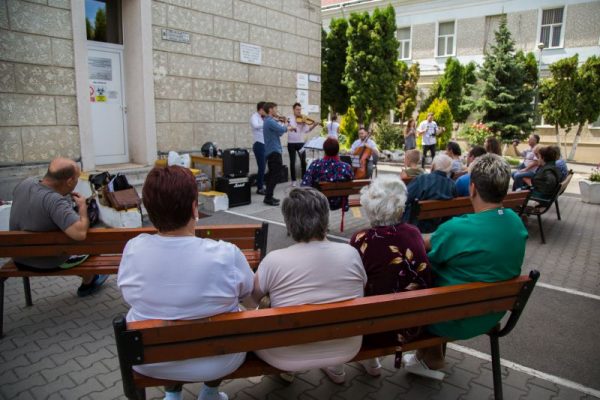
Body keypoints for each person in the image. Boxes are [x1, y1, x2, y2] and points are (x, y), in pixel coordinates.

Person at [118, 166, 254, 400]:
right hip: (219, 359)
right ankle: (210, 393)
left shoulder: (133, 249)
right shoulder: (226, 254)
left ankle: (172, 396)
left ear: (149, 210)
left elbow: (126, 293)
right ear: (194, 208)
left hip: (150, 360)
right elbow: (249, 293)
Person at [402, 154, 527, 380]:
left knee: (416, 283)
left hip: (453, 319)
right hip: (491, 314)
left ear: (472, 188)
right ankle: (429, 355)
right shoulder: (515, 221)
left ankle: (429, 355)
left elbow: (425, 249)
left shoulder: (458, 229)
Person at [251, 188, 366, 384]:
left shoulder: (274, 260)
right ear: (325, 218)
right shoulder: (351, 253)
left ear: (289, 222)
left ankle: (287, 372)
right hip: (347, 346)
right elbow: (362, 285)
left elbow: (253, 299)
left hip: (286, 354)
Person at [350, 175, 432, 376]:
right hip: (413, 325)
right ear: (401, 207)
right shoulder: (413, 232)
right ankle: (370, 362)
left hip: (375, 331)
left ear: (369, 207)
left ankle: (365, 360)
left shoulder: (361, 239)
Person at [9, 157, 107, 297]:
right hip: (47, 262)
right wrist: (82, 207)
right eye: (77, 178)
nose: (77, 182)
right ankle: (88, 282)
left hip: (19, 259)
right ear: (69, 181)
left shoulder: (25, 184)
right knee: (92, 245)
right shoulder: (55, 201)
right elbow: (80, 233)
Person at [402, 154, 457, 233]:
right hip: (440, 227)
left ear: (433, 166)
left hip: (417, 225)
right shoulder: (452, 185)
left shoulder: (422, 179)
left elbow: (405, 197)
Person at [301, 138, 353, 210]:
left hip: (319, 202)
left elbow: (304, 185)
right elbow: (350, 183)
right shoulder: (346, 167)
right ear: (338, 150)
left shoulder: (315, 164)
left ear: (324, 150)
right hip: (339, 202)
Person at [262, 102, 295, 206]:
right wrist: (286, 124)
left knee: (273, 175)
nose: (277, 111)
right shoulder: (270, 121)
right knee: (274, 175)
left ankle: (269, 196)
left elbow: (280, 133)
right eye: (275, 109)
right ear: (270, 110)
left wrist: (284, 124)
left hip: (273, 151)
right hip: (274, 151)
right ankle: (268, 198)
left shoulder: (269, 121)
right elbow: (282, 129)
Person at [287, 103, 319, 187]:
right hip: (291, 143)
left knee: (303, 161)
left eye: (300, 109)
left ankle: (303, 179)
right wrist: (295, 124)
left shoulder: (303, 119)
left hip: (300, 143)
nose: (299, 111)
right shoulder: (289, 118)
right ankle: (293, 180)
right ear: (293, 109)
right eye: (297, 109)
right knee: (292, 162)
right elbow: (288, 127)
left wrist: (314, 125)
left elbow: (307, 130)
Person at [250, 101, 267, 195]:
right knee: (262, 167)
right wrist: (267, 123)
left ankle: (261, 184)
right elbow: (256, 126)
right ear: (261, 109)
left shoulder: (264, 117)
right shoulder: (254, 117)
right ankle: (259, 188)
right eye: (265, 109)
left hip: (265, 144)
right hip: (259, 144)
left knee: (264, 167)